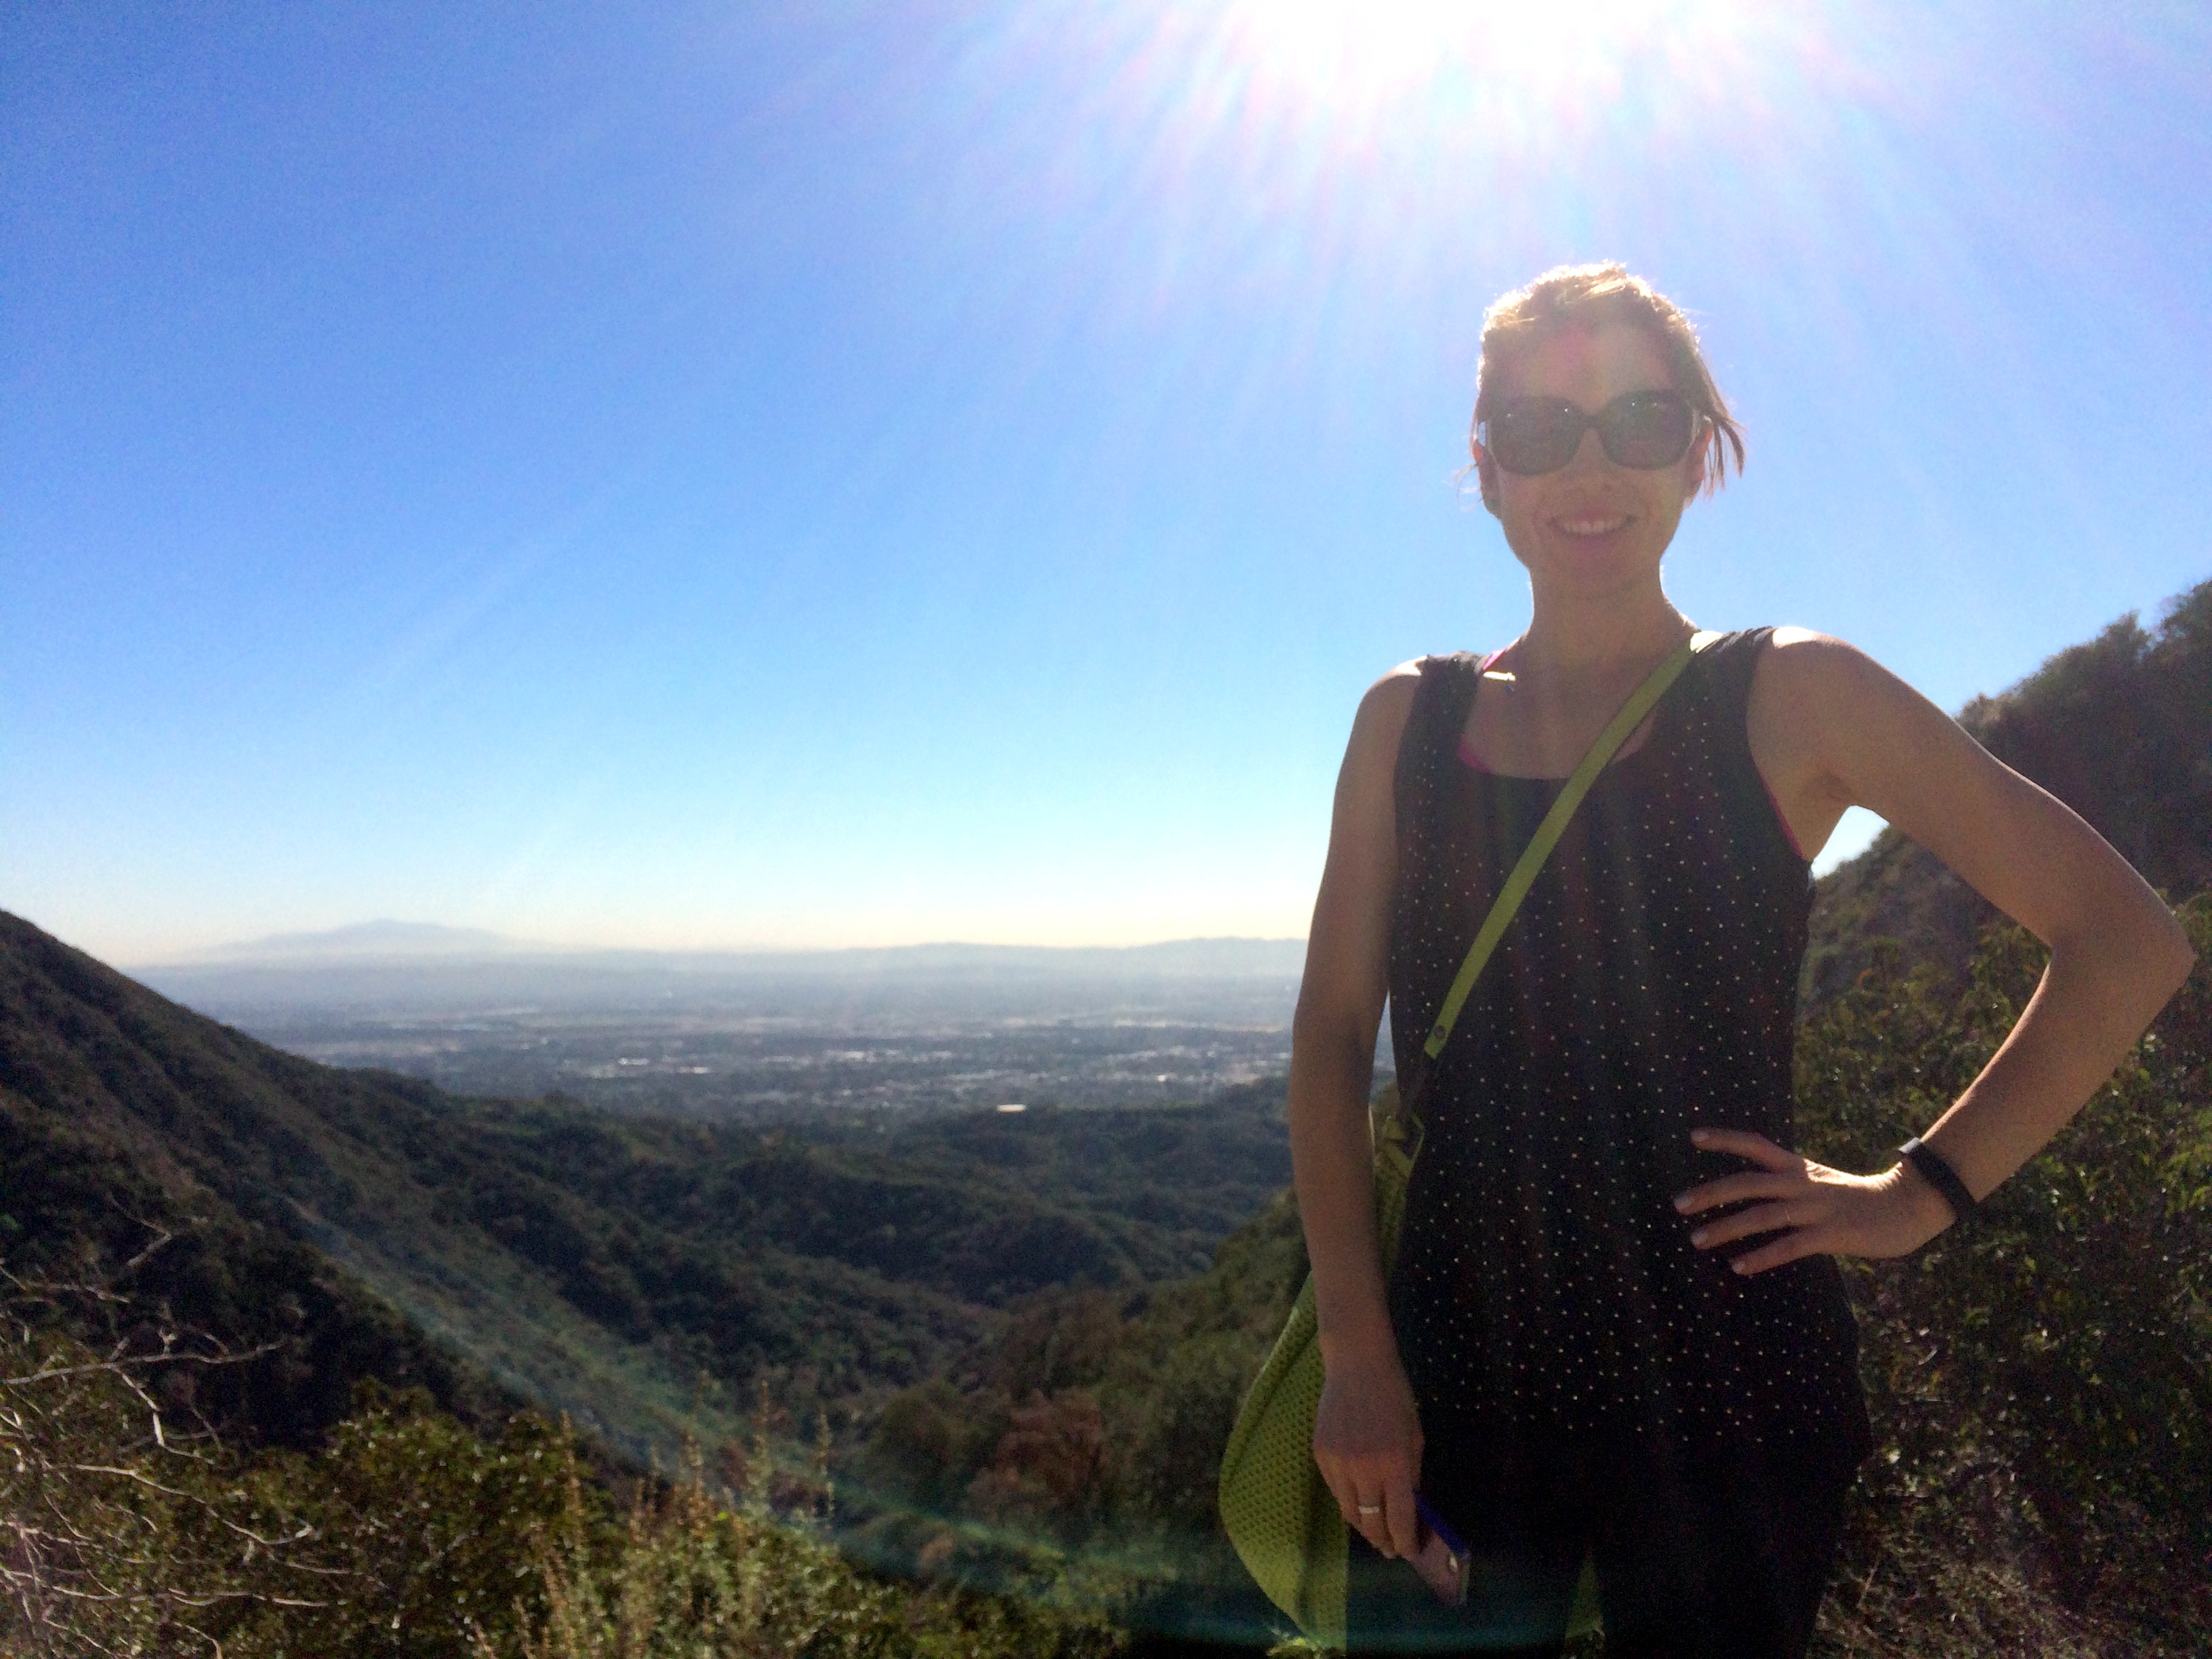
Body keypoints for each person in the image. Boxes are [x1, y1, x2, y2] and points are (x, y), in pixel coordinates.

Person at [1286, 262, 2196, 1658]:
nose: (1591, 468)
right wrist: (1355, 1352)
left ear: (1699, 452)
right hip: (1456, 1369)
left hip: (1732, 1389)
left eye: (1640, 421)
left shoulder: (1791, 694)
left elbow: (2126, 940)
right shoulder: (1407, 723)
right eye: (1539, 429)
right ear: (1487, 467)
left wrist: (1920, 1193)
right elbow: (1332, 1037)